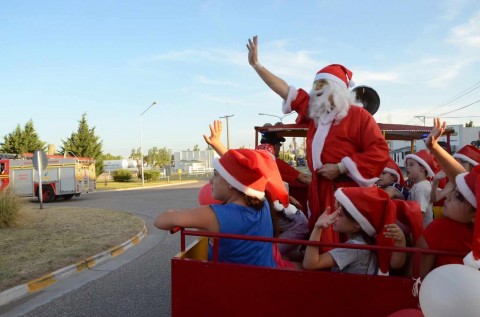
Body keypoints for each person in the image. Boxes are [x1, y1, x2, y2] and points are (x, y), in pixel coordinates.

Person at [247, 36, 390, 246]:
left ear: (339, 91)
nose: (318, 97)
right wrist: (257, 66)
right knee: (320, 235)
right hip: (319, 190)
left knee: (340, 241)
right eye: (316, 91)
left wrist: (341, 167)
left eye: (324, 91)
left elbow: (379, 151)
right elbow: (285, 90)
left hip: (345, 191)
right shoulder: (317, 115)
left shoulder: (359, 117)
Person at [154, 148, 290, 268]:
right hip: (265, 278)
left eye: (216, 174)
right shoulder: (263, 202)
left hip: (235, 287)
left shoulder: (221, 215)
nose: (211, 181)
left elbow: (160, 221)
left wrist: (175, 213)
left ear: (231, 182)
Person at [203, 120, 309, 262]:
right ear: (275, 146)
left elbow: (235, 163)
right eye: (279, 145)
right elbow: (235, 163)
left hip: (295, 224)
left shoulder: (268, 163)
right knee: (274, 253)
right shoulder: (266, 163)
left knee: (270, 254)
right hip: (288, 219)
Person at [414, 118, 477, 277]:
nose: (449, 196)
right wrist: (433, 147)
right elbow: (460, 179)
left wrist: (433, 147)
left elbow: (415, 276)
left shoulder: (440, 228)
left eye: (459, 197)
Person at [303, 186, 404, 275]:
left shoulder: (354, 247)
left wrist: (318, 228)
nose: (334, 217)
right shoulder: (366, 241)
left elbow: (310, 264)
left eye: (340, 215)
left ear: (357, 224)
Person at [430, 144, 480, 217]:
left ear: (472, 166)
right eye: (456, 161)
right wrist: (435, 181)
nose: (458, 164)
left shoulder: (477, 184)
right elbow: (435, 199)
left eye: (462, 162)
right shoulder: (454, 182)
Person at [404, 150, 438, 228]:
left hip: (421, 230)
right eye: (407, 165)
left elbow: (420, 213)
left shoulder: (421, 187)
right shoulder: (419, 184)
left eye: (411, 164)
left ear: (422, 168)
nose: (407, 167)